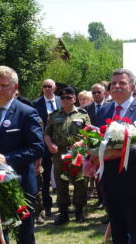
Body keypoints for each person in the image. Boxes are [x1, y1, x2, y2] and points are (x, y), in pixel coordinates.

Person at [0, 65, 44, 244]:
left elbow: (37, 147)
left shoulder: (27, 112)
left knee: (24, 237)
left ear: (15, 88)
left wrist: (8, 158)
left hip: (20, 186)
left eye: (3, 85)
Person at [95, 68, 136, 243]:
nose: (116, 86)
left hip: (134, 182)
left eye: (122, 83)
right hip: (109, 182)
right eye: (113, 83)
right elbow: (97, 142)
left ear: (132, 86)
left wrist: (123, 152)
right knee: (118, 232)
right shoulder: (103, 112)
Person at [44, 87, 90, 225]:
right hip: (59, 154)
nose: (65, 100)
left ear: (74, 99)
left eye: (68, 98)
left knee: (80, 182)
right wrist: (50, 145)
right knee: (60, 183)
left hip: (77, 154)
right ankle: (63, 213)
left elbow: (89, 133)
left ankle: (79, 211)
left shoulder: (82, 114)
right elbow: (47, 133)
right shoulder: (53, 115)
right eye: (62, 98)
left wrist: (81, 142)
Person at [32, 79, 61, 218]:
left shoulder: (63, 101)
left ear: (55, 87)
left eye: (50, 86)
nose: (47, 88)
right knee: (45, 177)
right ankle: (47, 205)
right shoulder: (36, 104)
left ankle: (63, 205)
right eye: (45, 86)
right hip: (44, 145)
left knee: (62, 175)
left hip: (62, 145)